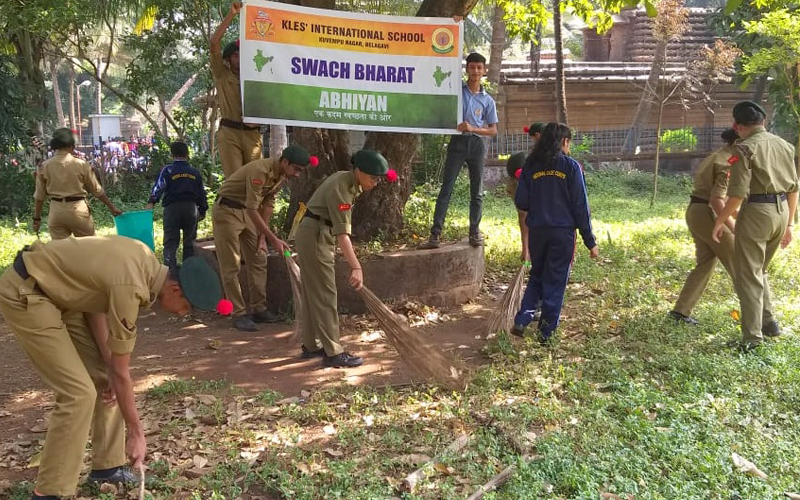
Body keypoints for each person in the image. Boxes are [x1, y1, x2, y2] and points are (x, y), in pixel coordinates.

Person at [0, 236, 221, 500]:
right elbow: (122, 371)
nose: (183, 314)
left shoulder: (144, 260)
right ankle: (49, 492)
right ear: (175, 289)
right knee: (78, 393)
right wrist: (137, 433)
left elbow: (95, 304)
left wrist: (107, 363)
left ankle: (107, 467)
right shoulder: (132, 286)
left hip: (63, 294)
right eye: (186, 308)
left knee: (106, 378)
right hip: (28, 291)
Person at [296, 150, 396, 368]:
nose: (376, 182)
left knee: (314, 292)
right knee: (325, 294)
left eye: (378, 179)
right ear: (358, 171)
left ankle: (311, 345)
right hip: (315, 235)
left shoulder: (348, 182)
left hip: (315, 233)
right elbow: (343, 235)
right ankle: (333, 352)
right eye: (372, 177)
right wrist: (356, 267)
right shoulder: (341, 189)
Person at [712, 101, 798, 351]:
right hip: (782, 211)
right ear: (764, 122)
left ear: (737, 126)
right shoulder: (785, 145)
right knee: (759, 270)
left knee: (749, 275)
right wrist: (790, 223)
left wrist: (720, 220)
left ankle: (752, 338)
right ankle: (769, 322)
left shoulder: (744, 148)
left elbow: (737, 194)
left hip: (757, 213)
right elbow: (794, 188)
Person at [511, 123, 599, 344]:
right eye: (569, 142)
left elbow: (521, 200)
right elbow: (581, 206)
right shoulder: (571, 167)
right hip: (563, 234)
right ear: (564, 142)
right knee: (556, 280)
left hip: (538, 233)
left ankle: (522, 318)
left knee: (538, 275)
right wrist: (590, 241)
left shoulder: (531, 164)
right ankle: (546, 334)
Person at [212, 145, 313, 331]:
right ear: (284, 162)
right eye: (296, 169)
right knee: (231, 264)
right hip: (227, 210)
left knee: (259, 257)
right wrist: (274, 238)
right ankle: (239, 313)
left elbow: (268, 203)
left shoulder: (282, 176)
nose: (297, 174)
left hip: (247, 212)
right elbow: (253, 208)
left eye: (301, 171)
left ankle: (259, 308)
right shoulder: (260, 170)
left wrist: (262, 238)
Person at [420, 52, 498, 249]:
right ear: (466, 69)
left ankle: (474, 232)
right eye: (472, 67)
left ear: (484, 71)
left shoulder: (487, 100)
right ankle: (435, 234)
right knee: (447, 188)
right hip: (457, 143)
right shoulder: (456, 92)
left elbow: (493, 130)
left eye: (479, 68)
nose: (475, 71)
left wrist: (473, 128)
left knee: (477, 191)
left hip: (477, 145)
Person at [669, 129, 739, 325]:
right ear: (740, 142)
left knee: (706, 262)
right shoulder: (729, 162)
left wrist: (734, 213)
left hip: (696, 211)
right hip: (709, 214)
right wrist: (734, 227)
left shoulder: (716, 156)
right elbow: (717, 200)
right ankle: (760, 319)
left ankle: (680, 312)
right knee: (740, 264)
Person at [32, 128, 122, 238]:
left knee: (61, 252)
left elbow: (39, 197)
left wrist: (36, 219)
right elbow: (97, 190)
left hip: (56, 211)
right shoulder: (81, 164)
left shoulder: (44, 166)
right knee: (87, 248)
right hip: (78, 210)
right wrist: (112, 208)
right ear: (71, 145)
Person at [210, 1, 262, 178]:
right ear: (228, 59)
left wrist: (259, 121)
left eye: (243, 55)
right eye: (235, 55)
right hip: (229, 132)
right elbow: (214, 43)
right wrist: (231, 15)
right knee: (235, 180)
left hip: (252, 134)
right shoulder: (222, 74)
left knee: (256, 180)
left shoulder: (257, 76)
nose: (239, 59)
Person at [145, 141, 209, 271]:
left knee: (170, 242)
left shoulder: (168, 170)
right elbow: (201, 193)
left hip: (172, 209)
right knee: (189, 242)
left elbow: (159, 187)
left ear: (172, 154)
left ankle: (170, 273)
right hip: (190, 209)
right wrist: (202, 210)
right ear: (187, 154)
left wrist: (151, 202)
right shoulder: (194, 172)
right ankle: (188, 272)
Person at [505, 152, 529, 261]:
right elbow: (523, 215)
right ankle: (526, 256)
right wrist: (525, 249)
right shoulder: (514, 185)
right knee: (524, 215)